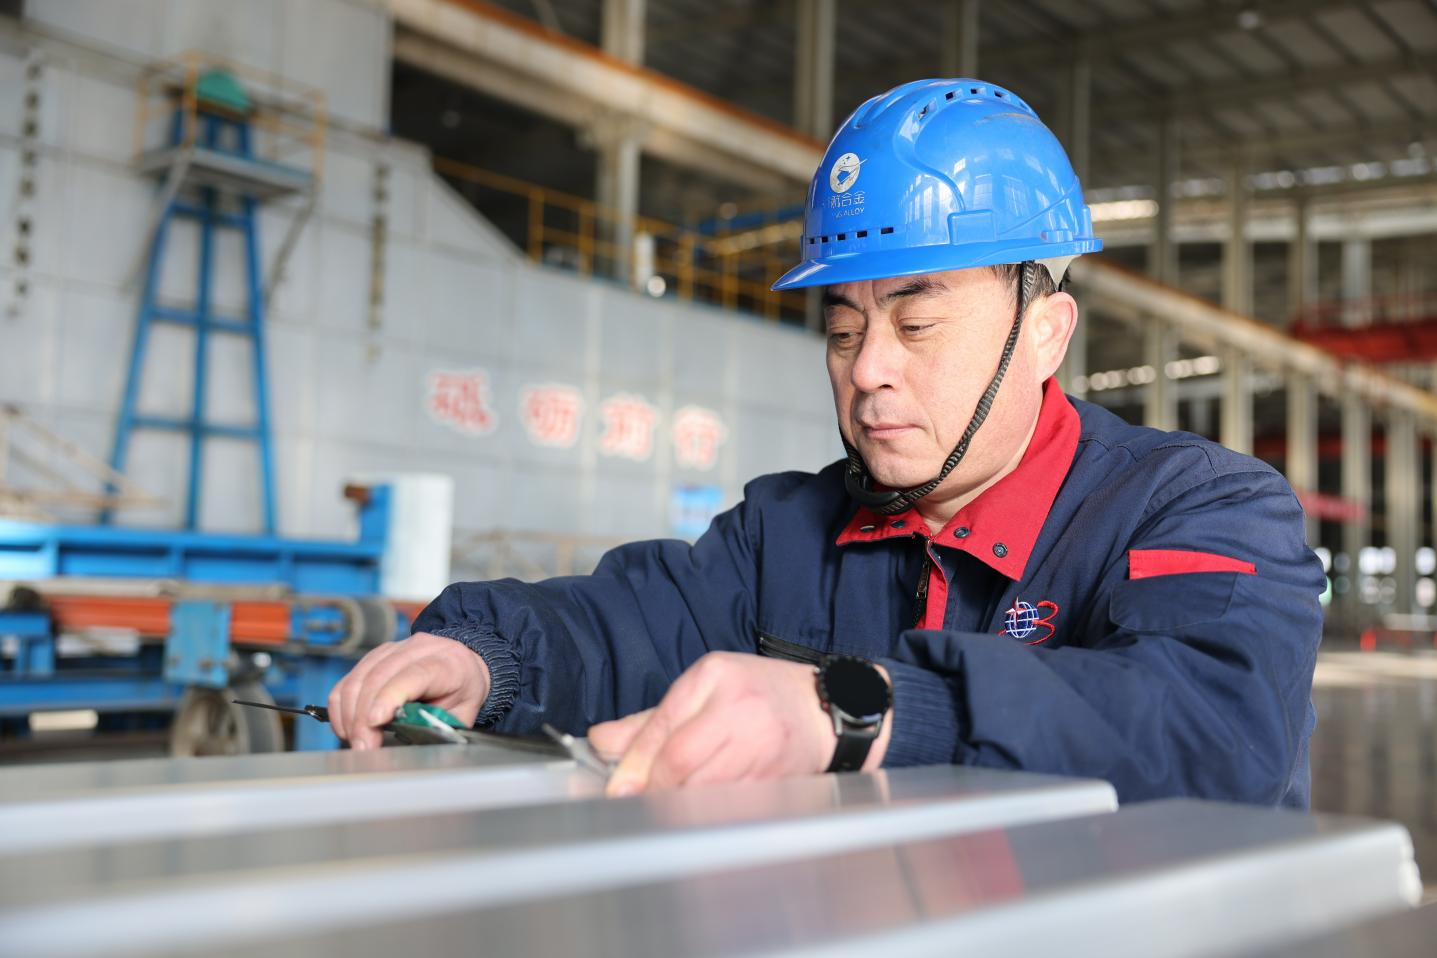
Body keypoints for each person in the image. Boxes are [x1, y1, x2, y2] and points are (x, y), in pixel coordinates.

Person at [328, 78, 1324, 807]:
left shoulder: (1196, 509)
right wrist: (483, 657)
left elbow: (1211, 727)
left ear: (1044, 334)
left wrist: (855, 710)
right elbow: (622, 625)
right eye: (844, 330)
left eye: (915, 322)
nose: (868, 368)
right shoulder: (787, 532)